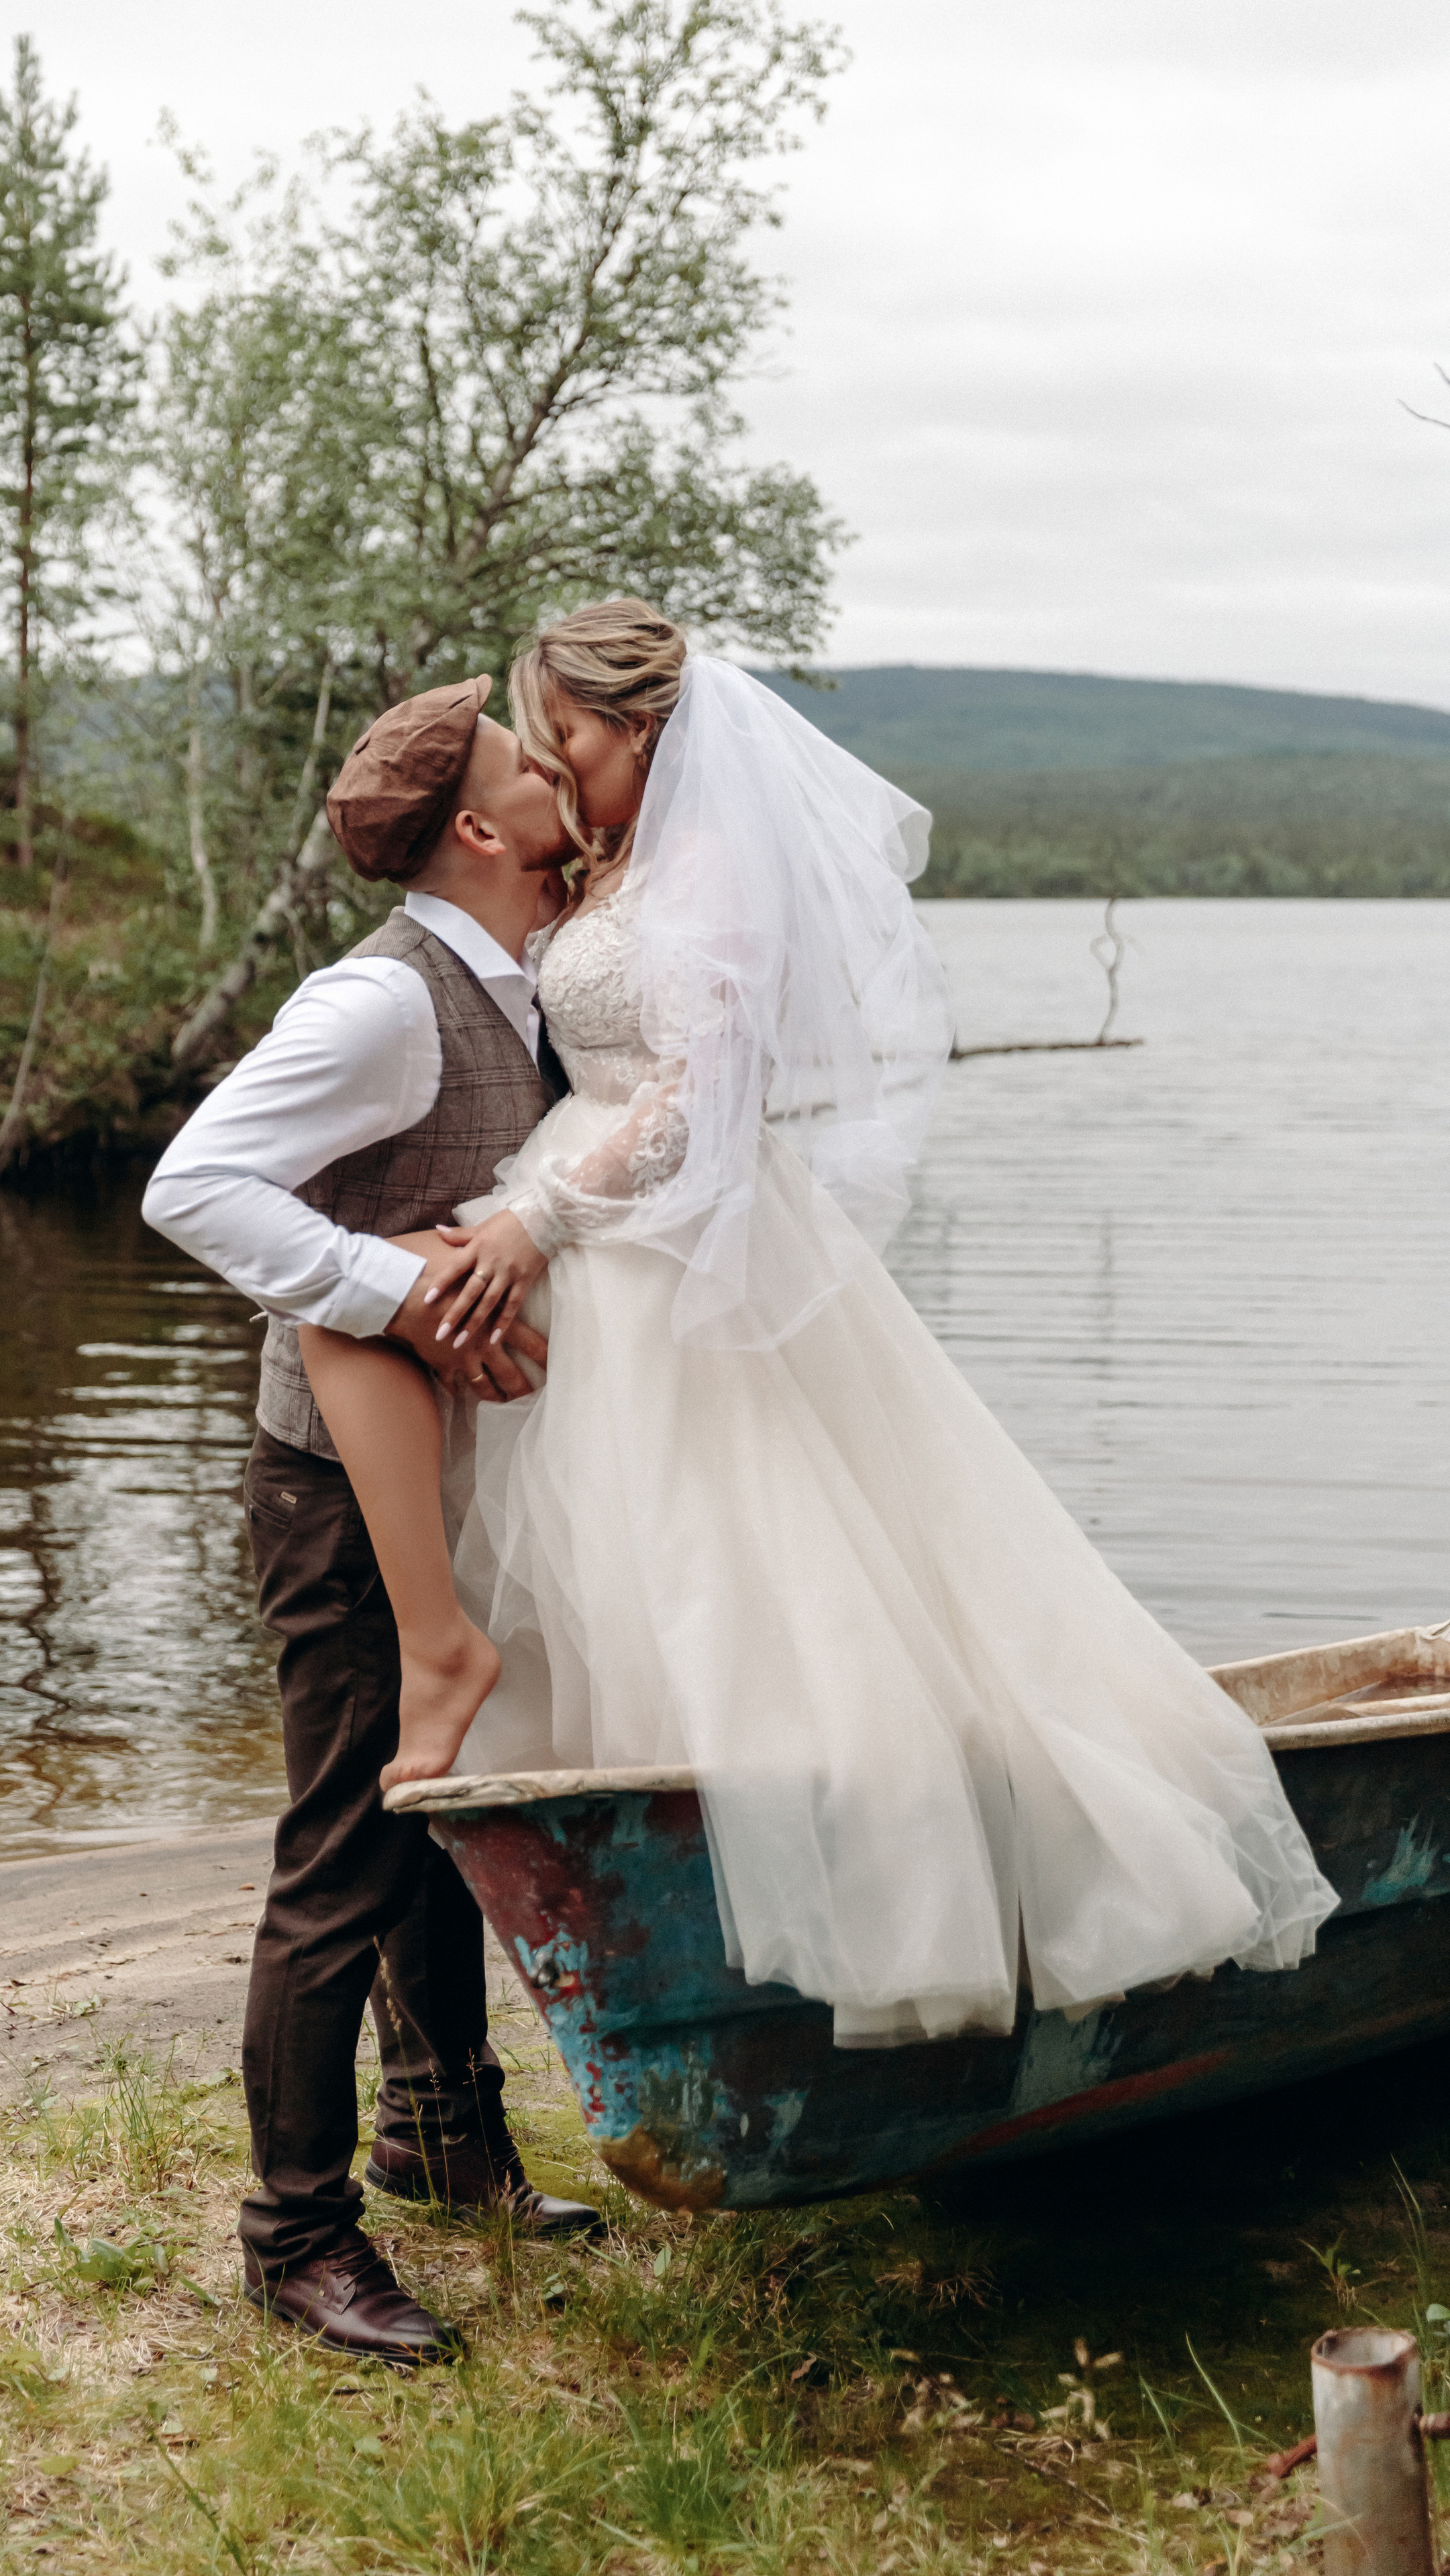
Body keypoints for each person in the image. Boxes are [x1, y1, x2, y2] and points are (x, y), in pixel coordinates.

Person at [375, 598, 1340, 2049]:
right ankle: (662, 1951)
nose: (560, 765)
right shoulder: (612, 854)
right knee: (628, 1587)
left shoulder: (713, 869)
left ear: (641, 728)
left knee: (751, 1577)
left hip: (666, 1241)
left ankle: (835, 1936)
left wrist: (537, 1221)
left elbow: (701, 1097)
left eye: (569, 734)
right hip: (591, 1237)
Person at [142, 676, 603, 2372]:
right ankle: (296, 2237)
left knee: (439, 1808)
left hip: (453, 1469)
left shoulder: (523, 968)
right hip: (335, 1487)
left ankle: (444, 2138)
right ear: (476, 828)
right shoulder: (381, 1006)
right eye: (524, 764)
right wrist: (389, 1290)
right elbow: (189, 1187)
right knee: (343, 1846)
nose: (555, 775)